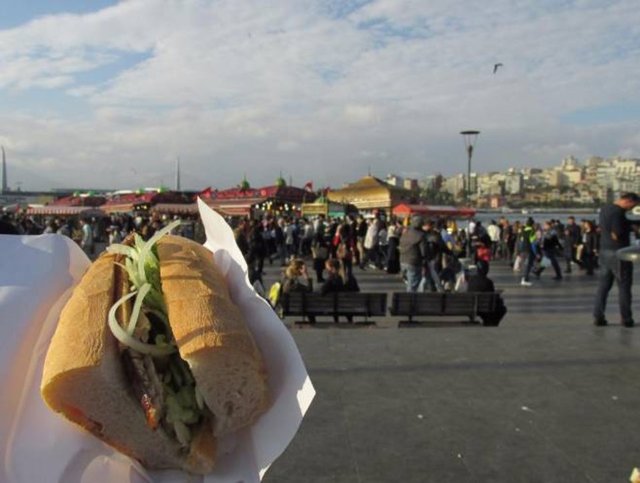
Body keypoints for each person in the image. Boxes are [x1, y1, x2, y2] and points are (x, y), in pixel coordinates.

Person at [592, 192, 640, 327]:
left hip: (605, 251)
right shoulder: (618, 213)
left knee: (603, 286)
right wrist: (629, 230)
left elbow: (623, 223)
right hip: (619, 253)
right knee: (624, 287)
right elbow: (616, 233)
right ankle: (626, 318)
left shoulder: (606, 209)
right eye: (633, 205)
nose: (631, 209)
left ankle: (598, 316)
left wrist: (633, 223)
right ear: (628, 201)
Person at [466, 260, 507, 326]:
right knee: (501, 305)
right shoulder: (488, 282)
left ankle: (488, 321)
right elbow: (492, 296)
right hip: (485, 308)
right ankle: (491, 322)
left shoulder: (471, 281)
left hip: (471, 307)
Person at [399, 214, 428, 292]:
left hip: (403, 260)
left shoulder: (405, 233)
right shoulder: (421, 235)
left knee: (409, 283)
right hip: (414, 262)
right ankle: (409, 301)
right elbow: (424, 252)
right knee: (413, 285)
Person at [282, 258, 315, 323]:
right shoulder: (294, 284)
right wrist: (306, 276)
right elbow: (309, 290)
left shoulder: (287, 280)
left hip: (290, 306)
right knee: (310, 301)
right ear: (299, 269)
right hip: (297, 307)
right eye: (303, 268)